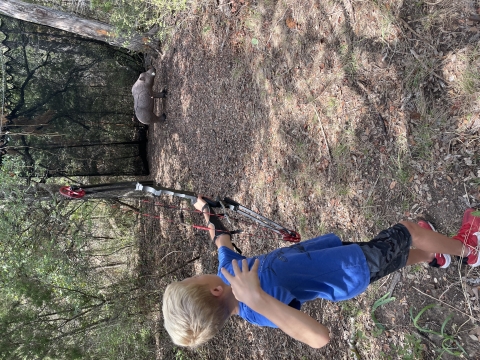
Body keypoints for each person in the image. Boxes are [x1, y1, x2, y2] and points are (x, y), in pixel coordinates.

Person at [162, 196, 480, 349]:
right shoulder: (258, 309)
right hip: (351, 269)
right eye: (193, 278)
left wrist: (207, 212)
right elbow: (318, 338)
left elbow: (220, 239)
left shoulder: (228, 271)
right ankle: (468, 248)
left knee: (395, 257)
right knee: (407, 231)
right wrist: (258, 299)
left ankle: (433, 256)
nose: (200, 273)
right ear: (214, 291)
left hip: (341, 256)